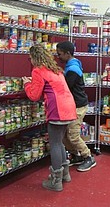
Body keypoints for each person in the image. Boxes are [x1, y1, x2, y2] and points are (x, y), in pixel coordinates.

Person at [22, 44, 77, 192]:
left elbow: (33, 95)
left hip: (57, 110)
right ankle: (65, 175)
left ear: (34, 57)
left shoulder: (38, 71)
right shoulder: (57, 70)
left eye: (30, 58)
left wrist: (27, 84)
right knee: (59, 142)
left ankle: (55, 181)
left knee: (54, 144)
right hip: (69, 108)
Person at [56, 41, 96, 172]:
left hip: (78, 106)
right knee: (65, 135)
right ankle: (76, 155)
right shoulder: (70, 65)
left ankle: (88, 157)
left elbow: (66, 87)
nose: (58, 57)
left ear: (68, 53)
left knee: (72, 135)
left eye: (60, 54)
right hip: (72, 105)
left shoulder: (73, 69)